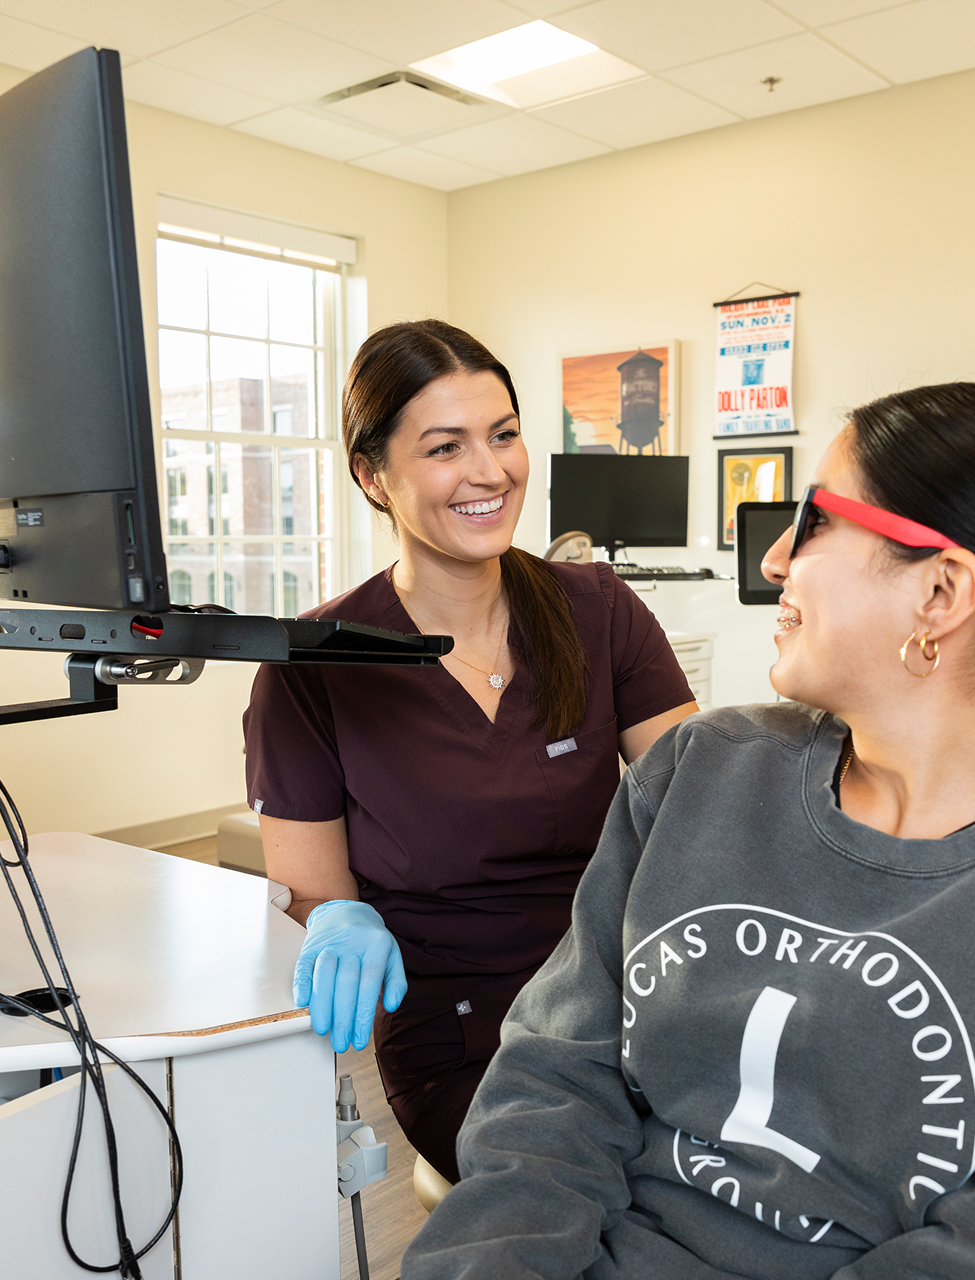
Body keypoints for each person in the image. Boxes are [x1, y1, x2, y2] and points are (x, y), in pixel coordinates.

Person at [402, 382, 975, 1279]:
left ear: (941, 592)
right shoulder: (701, 771)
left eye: (812, 523)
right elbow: (554, 1086)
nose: (774, 560)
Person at [242, 320, 698, 1184]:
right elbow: (313, 895)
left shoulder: (595, 609)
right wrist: (334, 919)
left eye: (504, 436)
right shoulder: (313, 664)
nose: (489, 472)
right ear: (373, 477)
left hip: (630, 996)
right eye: (445, 448)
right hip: (459, 1031)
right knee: (608, 1191)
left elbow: (701, 795)